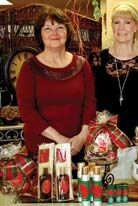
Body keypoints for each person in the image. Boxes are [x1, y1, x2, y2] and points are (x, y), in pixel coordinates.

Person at [16, 6, 96, 163]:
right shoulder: (29, 68)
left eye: (60, 27)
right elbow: (27, 112)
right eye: (47, 28)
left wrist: (82, 136)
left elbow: (90, 102)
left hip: (77, 147)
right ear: (40, 34)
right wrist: (60, 140)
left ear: (68, 32)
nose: (54, 33)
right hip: (42, 149)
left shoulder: (82, 64)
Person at [89, 2, 138, 141]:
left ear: (135, 27)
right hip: (105, 139)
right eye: (117, 22)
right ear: (112, 26)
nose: (121, 28)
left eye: (127, 22)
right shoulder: (96, 60)